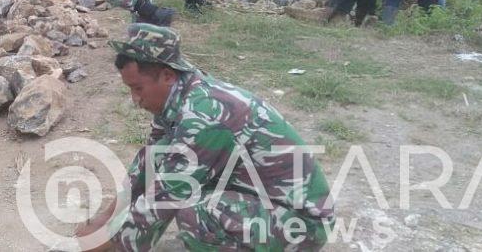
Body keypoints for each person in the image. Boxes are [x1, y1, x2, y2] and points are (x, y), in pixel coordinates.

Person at [74, 23, 335, 251]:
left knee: (194, 213)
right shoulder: (177, 95)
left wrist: (114, 244)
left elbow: (166, 195)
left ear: (167, 76)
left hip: (303, 224)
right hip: (265, 202)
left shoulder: (203, 116)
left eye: (138, 88)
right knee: (157, 156)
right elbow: (149, 162)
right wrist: (106, 220)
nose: (135, 99)